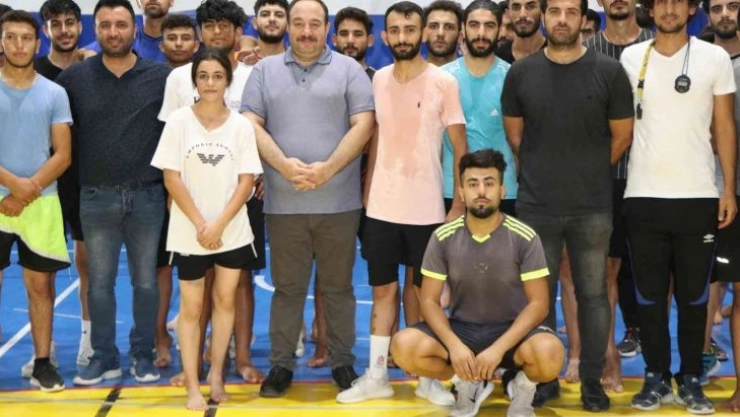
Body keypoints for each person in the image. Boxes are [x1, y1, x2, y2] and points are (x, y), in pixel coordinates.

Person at [501, 0, 634, 410]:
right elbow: (516, 136)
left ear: (583, 18)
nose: (562, 19)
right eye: (555, 11)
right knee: (538, 297)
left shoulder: (609, 72)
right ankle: (543, 378)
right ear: (544, 17)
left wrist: (587, 174)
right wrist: (544, 173)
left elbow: (622, 136)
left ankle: (592, 379)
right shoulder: (521, 73)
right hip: (537, 205)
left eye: (570, 12)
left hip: (591, 206)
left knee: (593, 294)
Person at [242, 0, 375, 398]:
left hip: (339, 204)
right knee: (287, 289)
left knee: (339, 288)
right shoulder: (263, 72)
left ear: (326, 27)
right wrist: (284, 166)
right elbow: (249, 122)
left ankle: (342, 361)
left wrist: (327, 169)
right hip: (284, 205)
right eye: (298, 23)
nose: (305, 31)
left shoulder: (350, 70)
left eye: (314, 24)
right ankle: (281, 364)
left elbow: (364, 124)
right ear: (288, 26)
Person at [336, 1, 467, 406]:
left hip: (427, 211)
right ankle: (377, 376)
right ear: (385, 35)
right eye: (394, 30)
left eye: (410, 30)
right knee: (383, 293)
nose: (402, 37)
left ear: (422, 33)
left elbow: (460, 147)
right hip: (381, 209)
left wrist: (458, 206)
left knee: (425, 298)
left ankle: (427, 379)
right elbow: (376, 137)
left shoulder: (444, 82)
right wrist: (368, 192)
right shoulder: (378, 80)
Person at [620, 0, 737, 412]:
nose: (669, 9)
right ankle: (655, 375)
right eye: (661, 2)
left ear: (690, 10)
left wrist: (728, 189)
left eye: (677, 1)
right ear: (651, 10)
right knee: (649, 298)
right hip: (643, 196)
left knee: (694, 298)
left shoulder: (714, 57)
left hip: (699, 196)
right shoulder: (631, 58)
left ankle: (690, 379)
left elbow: (724, 126)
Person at [390, 149, 564, 417]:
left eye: (489, 183)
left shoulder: (524, 237)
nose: (481, 191)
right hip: (463, 330)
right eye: (473, 184)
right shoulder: (442, 237)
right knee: (403, 346)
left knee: (551, 353)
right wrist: (455, 346)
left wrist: (498, 349)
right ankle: (465, 381)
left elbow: (539, 304)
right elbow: (428, 301)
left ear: (502, 190)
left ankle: (524, 388)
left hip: (512, 332)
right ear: (461, 192)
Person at [56, 0, 171, 386]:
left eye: (121, 25)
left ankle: (142, 353)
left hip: (148, 196)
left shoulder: (161, 77)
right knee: (99, 284)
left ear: (134, 29)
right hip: (96, 197)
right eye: (105, 25)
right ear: (96, 29)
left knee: (146, 282)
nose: (113, 32)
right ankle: (103, 356)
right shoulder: (73, 79)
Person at [160, 0, 264, 385]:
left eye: (216, 76)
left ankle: (233, 363)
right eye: (209, 25)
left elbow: (251, 161)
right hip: (191, 211)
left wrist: (221, 219)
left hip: (236, 209)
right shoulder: (178, 95)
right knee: (194, 296)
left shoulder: (249, 89)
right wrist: (191, 214)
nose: (209, 83)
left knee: (235, 289)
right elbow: (171, 167)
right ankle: (194, 369)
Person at [580, 0, 655, 393]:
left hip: (655, 178)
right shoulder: (587, 52)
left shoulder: (660, 44)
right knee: (603, 273)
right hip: (604, 181)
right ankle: (609, 358)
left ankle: (659, 367)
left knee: (657, 274)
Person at [0, 9, 72, 393]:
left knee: (40, 287)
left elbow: (63, 154)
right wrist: (14, 186)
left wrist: (26, 191)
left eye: (25, 38)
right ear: (1, 42)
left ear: (37, 43)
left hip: (41, 203)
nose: (18, 45)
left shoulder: (54, 93)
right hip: (6, 198)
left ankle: (43, 362)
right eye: (10, 37)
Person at [25, 0, 88, 376]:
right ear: (45, 30)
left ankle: (88, 339)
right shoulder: (31, 72)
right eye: (56, 23)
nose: (63, 30)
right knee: (40, 273)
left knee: (87, 265)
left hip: (82, 180)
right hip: (39, 185)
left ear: (80, 26)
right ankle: (43, 347)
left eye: (69, 22)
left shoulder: (91, 68)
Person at [703, 0, 740, 406]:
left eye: (733, 6)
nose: (725, 14)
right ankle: (700, 364)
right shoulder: (699, 59)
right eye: (717, 8)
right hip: (716, 190)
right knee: (709, 284)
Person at [84, 0, 172, 62]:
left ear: (171, 1)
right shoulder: (126, 38)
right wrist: (84, 54)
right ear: (138, 2)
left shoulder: (179, 41)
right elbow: (83, 52)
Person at [424, 0, 463, 66]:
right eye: (433, 26)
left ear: (460, 37)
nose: (440, 33)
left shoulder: (474, 71)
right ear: (423, 34)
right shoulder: (410, 72)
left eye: (449, 27)